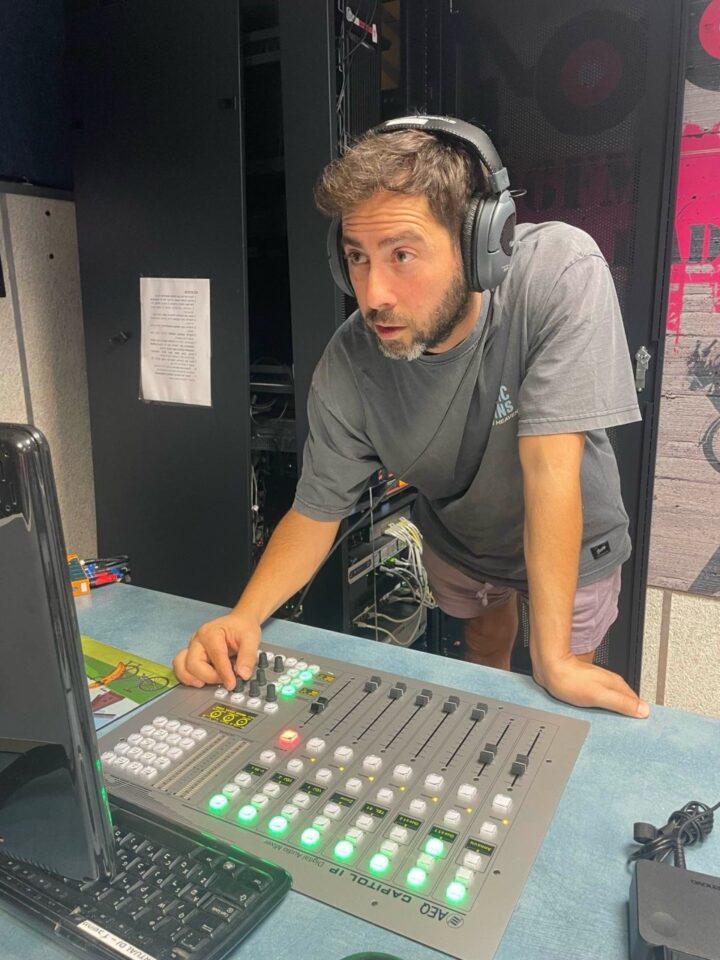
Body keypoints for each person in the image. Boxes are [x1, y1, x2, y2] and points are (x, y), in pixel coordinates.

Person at [173, 115, 650, 720]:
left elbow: (550, 468)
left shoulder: (558, 274)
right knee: (486, 654)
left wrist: (553, 657)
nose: (373, 294)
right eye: (357, 257)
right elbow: (316, 511)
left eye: (401, 254)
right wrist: (243, 616)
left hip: (572, 537)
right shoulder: (348, 365)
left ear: (479, 246)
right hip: (462, 541)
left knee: (560, 691)